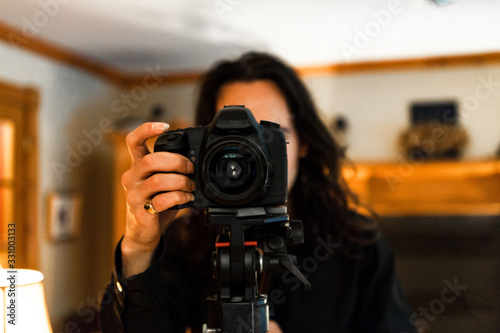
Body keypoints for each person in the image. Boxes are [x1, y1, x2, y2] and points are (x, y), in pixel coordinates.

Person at [99, 52, 417, 333]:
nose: (246, 157)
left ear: (303, 142)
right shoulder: (183, 240)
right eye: (231, 141)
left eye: (266, 135)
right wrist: (139, 246)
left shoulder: (359, 245)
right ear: (204, 150)